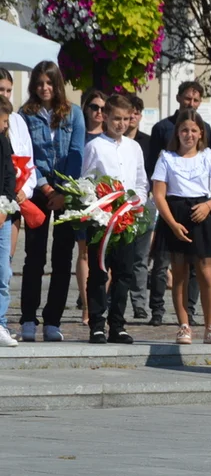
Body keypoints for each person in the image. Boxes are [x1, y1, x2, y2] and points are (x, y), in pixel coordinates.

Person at [151, 109, 211, 345]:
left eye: (194, 130)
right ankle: (184, 325)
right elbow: (159, 194)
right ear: (177, 132)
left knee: (206, 272)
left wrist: (208, 206)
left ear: (201, 133)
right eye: (184, 130)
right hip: (175, 215)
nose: (189, 134)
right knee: (179, 274)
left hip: (202, 215)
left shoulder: (208, 157)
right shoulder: (166, 158)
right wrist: (172, 224)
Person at [19, 60, 85, 343]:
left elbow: (76, 152)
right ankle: (28, 318)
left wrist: (64, 192)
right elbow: (26, 154)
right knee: (34, 257)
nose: (45, 88)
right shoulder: (25, 115)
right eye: (40, 83)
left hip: (67, 192)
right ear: (34, 85)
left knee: (62, 257)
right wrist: (46, 189)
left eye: (49, 83)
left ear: (57, 84)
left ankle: (53, 320)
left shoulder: (74, 114)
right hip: (37, 189)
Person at [81, 95, 149, 344]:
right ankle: (97, 324)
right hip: (103, 220)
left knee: (124, 273)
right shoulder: (95, 147)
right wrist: (100, 206)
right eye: (116, 119)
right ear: (105, 117)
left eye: (125, 119)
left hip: (127, 220)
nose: (120, 124)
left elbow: (141, 182)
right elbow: (86, 181)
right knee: (99, 272)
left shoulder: (134, 147)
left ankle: (117, 324)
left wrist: (135, 203)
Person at [148, 82, 210, 327]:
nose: (190, 103)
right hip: (169, 202)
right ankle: (157, 310)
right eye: (187, 99)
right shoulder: (162, 127)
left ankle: (191, 311)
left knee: (197, 266)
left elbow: (206, 164)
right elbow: (153, 164)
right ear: (178, 98)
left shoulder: (204, 128)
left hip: (197, 206)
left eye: (195, 100)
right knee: (163, 263)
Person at [76, 89, 108, 326]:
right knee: (85, 252)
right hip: (84, 199)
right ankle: (87, 306)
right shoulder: (80, 135)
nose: (99, 112)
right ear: (85, 109)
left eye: (103, 108)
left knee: (106, 256)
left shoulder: (109, 138)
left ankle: (101, 304)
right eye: (94, 107)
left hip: (107, 202)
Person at [125, 94, 155, 321]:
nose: (132, 117)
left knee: (140, 258)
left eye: (136, 113)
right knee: (115, 256)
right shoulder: (116, 141)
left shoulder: (149, 142)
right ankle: (109, 298)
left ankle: (139, 303)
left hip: (144, 204)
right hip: (117, 206)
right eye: (129, 113)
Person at [0, 69, 35, 265]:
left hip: (12, 200)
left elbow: (29, 161)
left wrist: (25, 189)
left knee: (5, 264)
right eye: (0, 89)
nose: (4, 95)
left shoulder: (17, 121)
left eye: (8, 90)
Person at [0, 97, 19, 346]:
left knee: (3, 272)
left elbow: (9, 175)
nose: (6, 126)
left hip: (2, 213)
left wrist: (4, 206)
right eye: (4, 120)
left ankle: (1, 323)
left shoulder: (4, 142)